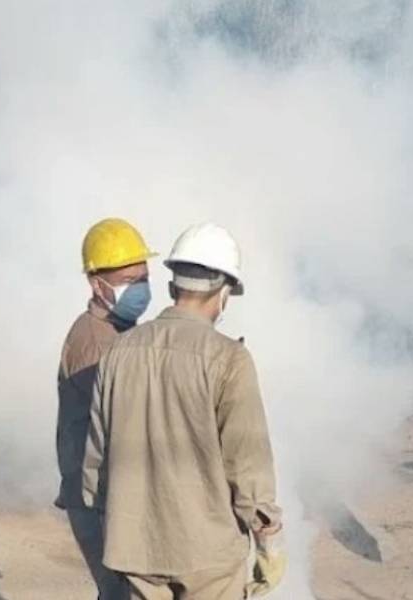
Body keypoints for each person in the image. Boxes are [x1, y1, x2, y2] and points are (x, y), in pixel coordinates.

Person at [82, 223, 284, 600]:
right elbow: (247, 463)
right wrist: (268, 539)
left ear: (173, 287)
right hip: (207, 552)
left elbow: (97, 456)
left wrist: (110, 522)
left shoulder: (117, 352)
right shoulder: (229, 359)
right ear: (224, 292)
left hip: (135, 549)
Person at [56, 218, 156, 600]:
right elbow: (120, 423)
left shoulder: (117, 331)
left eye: (144, 277)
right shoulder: (94, 343)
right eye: (129, 280)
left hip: (105, 493)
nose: (141, 289)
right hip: (99, 499)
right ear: (97, 284)